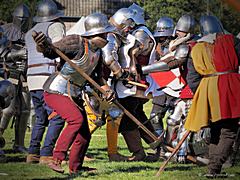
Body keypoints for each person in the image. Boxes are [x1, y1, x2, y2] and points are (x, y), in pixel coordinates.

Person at [33, 12, 120, 174]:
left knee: (84, 134)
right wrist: (42, 44)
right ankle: (56, 158)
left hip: (74, 93)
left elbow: (98, 78)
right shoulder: (76, 42)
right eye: (105, 33)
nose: (108, 36)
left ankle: (75, 167)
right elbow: (50, 51)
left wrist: (107, 90)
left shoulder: (98, 53)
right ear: (97, 33)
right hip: (56, 91)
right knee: (76, 120)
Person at [184, 15, 240, 177]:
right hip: (230, 87)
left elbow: (192, 79)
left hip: (208, 89)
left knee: (216, 129)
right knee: (229, 130)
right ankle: (214, 168)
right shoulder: (232, 41)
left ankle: (213, 169)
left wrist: (203, 95)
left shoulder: (196, 48)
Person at [109, 5, 160, 161]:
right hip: (130, 83)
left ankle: (139, 151)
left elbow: (134, 55)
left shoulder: (140, 33)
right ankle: (158, 147)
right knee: (138, 115)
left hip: (133, 83)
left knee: (127, 119)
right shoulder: (137, 32)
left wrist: (127, 71)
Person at [25, 0, 65, 164]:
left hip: (32, 78)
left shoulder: (30, 32)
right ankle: (47, 153)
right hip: (47, 77)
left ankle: (33, 153)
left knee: (41, 118)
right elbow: (60, 49)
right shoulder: (55, 27)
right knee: (57, 116)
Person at [0, 3, 31, 154]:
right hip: (9, 74)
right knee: (8, 109)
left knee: (25, 110)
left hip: (25, 75)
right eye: (20, 18)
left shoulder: (31, 33)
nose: (23, 20)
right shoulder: (5, 31)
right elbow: (1, 53)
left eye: (25, 18)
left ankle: (19, 144)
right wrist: (16, 55)